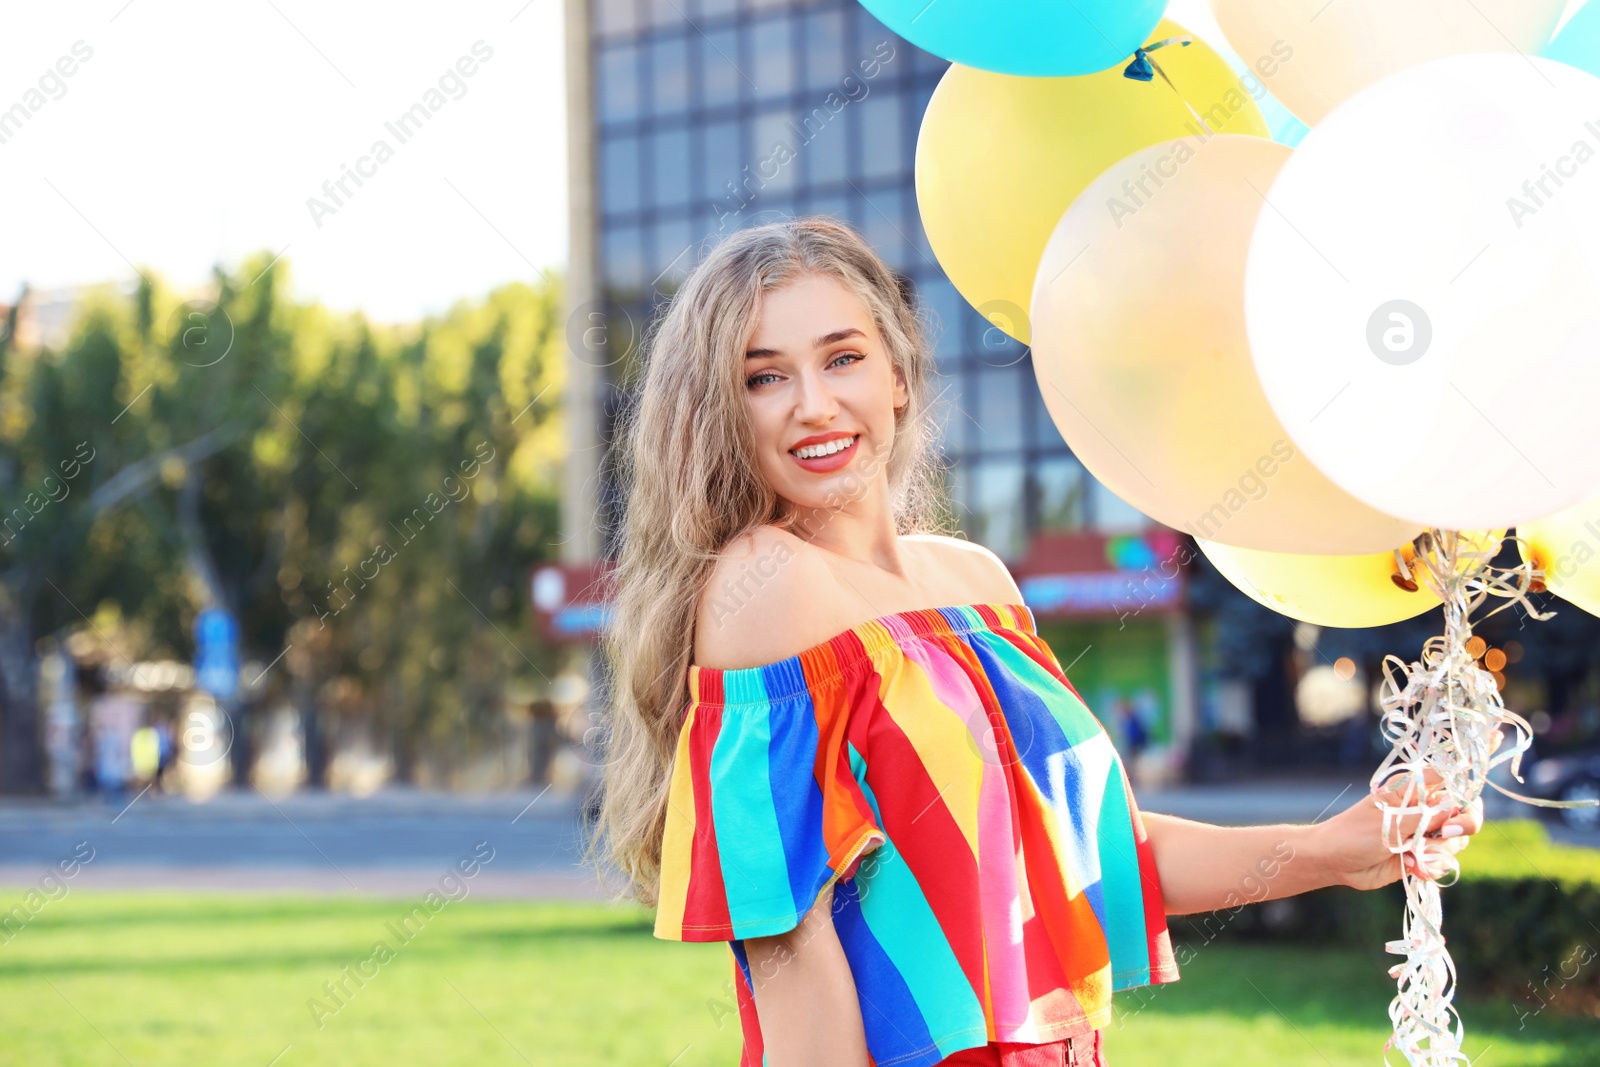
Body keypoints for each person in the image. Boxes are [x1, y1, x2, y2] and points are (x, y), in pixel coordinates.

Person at [581, 217, 1484, 1067]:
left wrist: (1338, 847)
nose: (814, 405)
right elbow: (791, 944)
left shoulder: (981, 585)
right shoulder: (765, 585)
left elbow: (1105, 854)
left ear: (897, 375)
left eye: (843, 357)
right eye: (763, 375)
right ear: (721, 412)